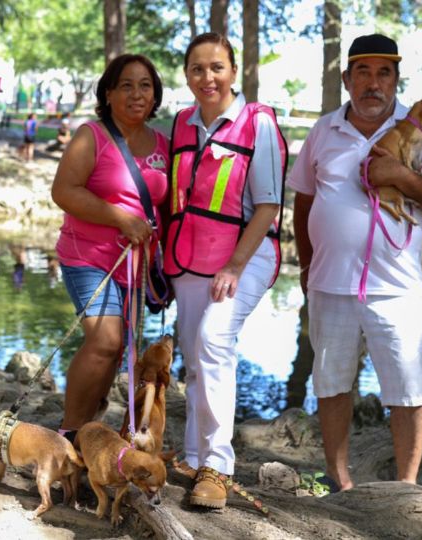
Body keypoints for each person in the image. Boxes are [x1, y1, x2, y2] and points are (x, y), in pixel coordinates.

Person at [287, 34, 422, 491]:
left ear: (397, 80)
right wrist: (305, 266)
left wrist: (400, 175)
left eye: (384, 73)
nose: (373, 83)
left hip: (396, 286)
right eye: (363, 72)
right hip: (329, 283)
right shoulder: (323, 130)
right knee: (332, 384)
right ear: (347, 79)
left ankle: (405, 488)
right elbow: (304, 199)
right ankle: (340, 482)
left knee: (408, 389)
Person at [165, 32, 287, 509]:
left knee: (214, 341)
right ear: (187, 76)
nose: (207, 77)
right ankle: (194, 458)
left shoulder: (257, 124)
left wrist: (236, 266)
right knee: (195, 359)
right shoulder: (182, 123)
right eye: (197, 68)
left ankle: (218, 466)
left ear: (234, 72)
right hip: (193, 257)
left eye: (217, 67)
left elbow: (270, 204)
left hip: (246, 256)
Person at [50, 54, 169, 447]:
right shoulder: (91, 136)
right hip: (88, 257)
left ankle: (89, 428)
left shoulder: (164, 145)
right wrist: (121, 219)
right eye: (126, 85)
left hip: (137, 267)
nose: (137, 94)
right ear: (109, 93)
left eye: (145, 85)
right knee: (103, 341)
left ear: (155, 94)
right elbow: (64, 192)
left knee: (117, 349)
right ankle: (68, 434)